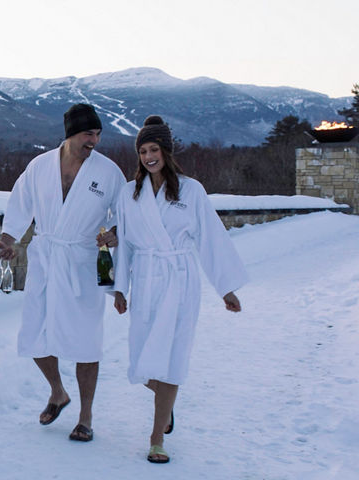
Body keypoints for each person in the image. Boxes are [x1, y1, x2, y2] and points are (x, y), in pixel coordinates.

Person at [111, 115, 248, 463]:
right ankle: (165, 402)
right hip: (144, 276)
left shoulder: (192, 190)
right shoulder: (129, 193)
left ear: (167, 151)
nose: (148, 156)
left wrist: (226, 288)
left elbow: (211, 239)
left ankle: (157, 438)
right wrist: (119, 288)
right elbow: (124, 242)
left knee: (171, 357)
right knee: (142, 361)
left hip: (180, 279)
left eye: (153, 149)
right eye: (142, 151)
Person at [0, 103, 126, 442]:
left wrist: (115, 232)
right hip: (46, 257)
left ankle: (85, 416)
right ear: (70, 134)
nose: (94, 141)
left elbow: (124, 214)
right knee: (34, 334)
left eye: (98, 134)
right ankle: (57, 392)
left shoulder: (109, 172)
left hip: (85, 259)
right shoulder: (39, 167)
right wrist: (10, 238)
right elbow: (20, 203)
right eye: (88, 134)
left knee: (86, 341)